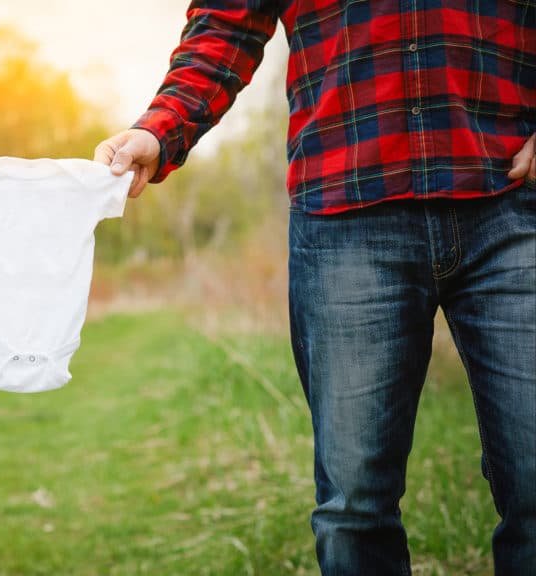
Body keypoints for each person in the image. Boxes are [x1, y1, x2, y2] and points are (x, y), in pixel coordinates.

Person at [96, 2, 534, 574]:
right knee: (355, 508)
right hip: (344, 208)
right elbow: (228, 21)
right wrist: (157, 129)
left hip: (511, 199)